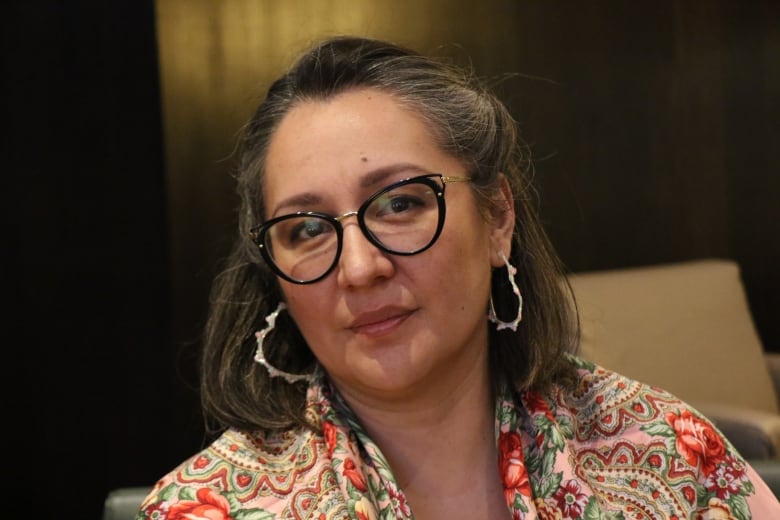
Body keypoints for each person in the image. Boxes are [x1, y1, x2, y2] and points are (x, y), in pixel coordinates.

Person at [137, 35, 779, 519]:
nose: (360, 267)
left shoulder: (663, 451)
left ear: (497, 217)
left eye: (400, 203)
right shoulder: (204, 506)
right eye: (306, 230)